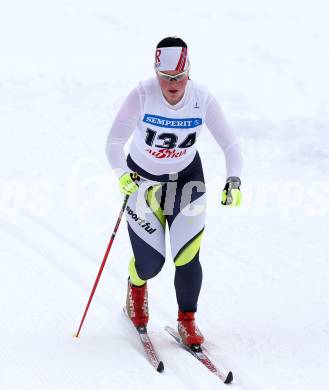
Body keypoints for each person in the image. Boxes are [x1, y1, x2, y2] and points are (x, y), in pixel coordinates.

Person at [105, 36, 242, 347]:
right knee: (151, 263)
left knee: (187, 256)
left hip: (187, 182)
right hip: (143, 182)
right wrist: (122, 175)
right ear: (156, 73)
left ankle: (187, 319)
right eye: (165, 77)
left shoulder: (202, 98)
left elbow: (231, 145)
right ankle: (136, 286)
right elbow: (113, 143)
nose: (172, 84)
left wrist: (233, 179)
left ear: (188, 72)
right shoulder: (142, 95)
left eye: (179, 76)